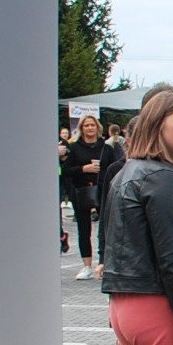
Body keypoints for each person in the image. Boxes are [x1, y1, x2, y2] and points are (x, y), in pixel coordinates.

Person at [99, 88, 173, 345]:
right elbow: (172, 256)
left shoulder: (128, 171)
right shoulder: (162, 176)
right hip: (159, 306)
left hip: (126, 305)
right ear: (156, 123)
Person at [61, 114, 106, 280]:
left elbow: (115, 167)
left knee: (106, 228)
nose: (90, 128)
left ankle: (104, 262)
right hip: (82, 192)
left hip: (102, 191)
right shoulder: (75, 148)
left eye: (92, 125)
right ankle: (87, 265)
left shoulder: (105, 147)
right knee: (83, 229)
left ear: (97, 127)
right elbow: (66, 170)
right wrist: (83, 169)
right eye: (86, 125)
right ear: (81, 128)